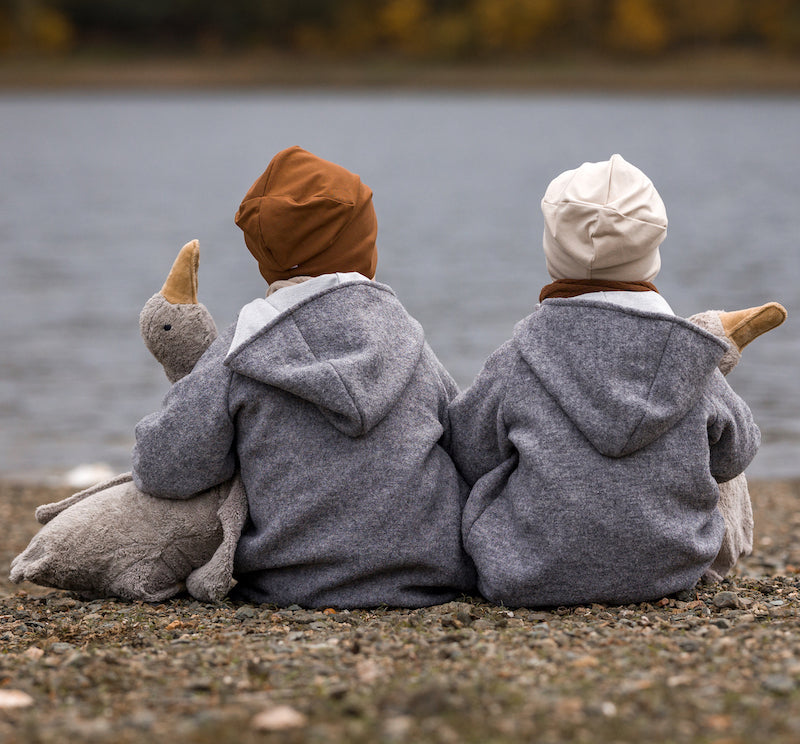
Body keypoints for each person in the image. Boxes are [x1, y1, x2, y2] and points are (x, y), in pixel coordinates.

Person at [132, 146, 476, 608]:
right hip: (428, 577)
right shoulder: (407, 337)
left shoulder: (243, 348)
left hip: (290, 584)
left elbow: (164, 468)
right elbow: (464, 446)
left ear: (263, 249)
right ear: (363, 243)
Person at [447, 154, 772, 608]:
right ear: (652, 249)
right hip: (672, 569)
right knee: (714, 437)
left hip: (525, 572)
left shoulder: (519, 357)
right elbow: (737, 452)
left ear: (552, 246)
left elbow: (468, 450)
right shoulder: (685, 354)